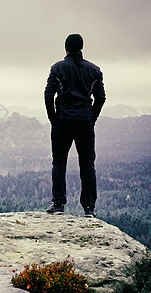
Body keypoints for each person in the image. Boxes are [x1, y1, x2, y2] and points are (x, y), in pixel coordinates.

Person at [44, 34, 106, 218]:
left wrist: (53, 119)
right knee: (87, 164)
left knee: (59, 162)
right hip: (84, 122)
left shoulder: (57, 68)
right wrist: (91, 118)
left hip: (62, 121)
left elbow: (48, 95)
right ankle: (89, 208)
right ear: (81, 48)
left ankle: (58, 205)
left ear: (66, 48)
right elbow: (100, 98)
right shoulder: (94, 70)